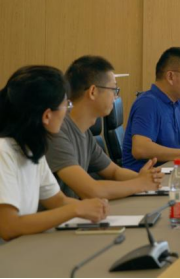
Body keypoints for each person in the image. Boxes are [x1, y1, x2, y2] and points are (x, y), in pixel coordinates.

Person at [0, 66, 109, 242]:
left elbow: (58, 201)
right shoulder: (3, 151)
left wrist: (90, 207)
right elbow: (9, 226)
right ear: (47, 116)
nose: (67, 111)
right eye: (66, 104)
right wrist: (76, 209)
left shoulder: (32, 149)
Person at [46, 56, 163, 199]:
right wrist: (140, 184)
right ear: (93, 91)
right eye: (113, 89)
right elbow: (91, 190)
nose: (115, 96)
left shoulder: (85, 132)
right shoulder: (57, 131)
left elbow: (114, 172)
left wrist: (144, 178)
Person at [121, 47, 180, 172]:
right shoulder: (148, 103)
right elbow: (140, 149)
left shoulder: (177, 103)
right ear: (171, 76)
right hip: (146, 179)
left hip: (171, 173)